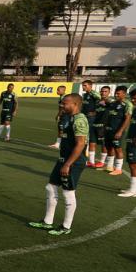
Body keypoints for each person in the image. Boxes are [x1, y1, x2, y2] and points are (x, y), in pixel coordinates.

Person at [28, 93, 88, 236]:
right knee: (50, 187)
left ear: (75, 104)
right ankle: (47, 222)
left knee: (68, 192)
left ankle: (66, 226)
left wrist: (67, 164)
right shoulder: (67, 117)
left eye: (65, 103)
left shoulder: (80, 120)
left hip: (73, 162)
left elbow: (80, 144)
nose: (62, 105)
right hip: (63, 159)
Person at [101, 86, 132, 176]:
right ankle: (109, 166)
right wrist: (104, 127)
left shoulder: (127, 104)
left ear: (124, 94)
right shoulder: (113, 103)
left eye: (118, 93)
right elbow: (108, 116)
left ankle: (118, 169)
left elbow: (127, 119)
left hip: (117, 130)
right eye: (115, 93)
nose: (116, 95)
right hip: (108, 130)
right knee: (109, 147)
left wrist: (120, 131)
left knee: (118, 149)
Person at [79, 81, 100, 167]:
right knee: (84, 136)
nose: (83, 87)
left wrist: (95, 112)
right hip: (85, 117)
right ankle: (85, 158)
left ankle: (90, 160)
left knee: (89, 137)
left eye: (85, 85)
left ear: (90, 86)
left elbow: (101, 101)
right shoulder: (85, 95)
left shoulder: (94, 94)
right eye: (82, 85)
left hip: (91, 118)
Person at [91, 86, 113, 168]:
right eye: (102, 91)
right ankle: (91, 161)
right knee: (92, 142)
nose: (103, 93)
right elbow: (97, 112)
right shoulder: (97, 101)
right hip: (95, 124)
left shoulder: (111, 101)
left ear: (109, 92)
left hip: (104, 126)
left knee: (104, 144)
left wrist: (106, 102)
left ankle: (102, 161)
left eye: (105, 91)